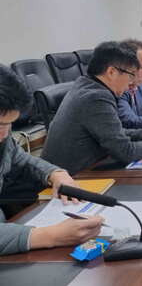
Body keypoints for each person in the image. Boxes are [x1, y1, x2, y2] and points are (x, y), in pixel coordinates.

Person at [0, 65, 104, 256]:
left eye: (9, 124)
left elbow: (22, 160)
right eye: (0, 125)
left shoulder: (3, 137)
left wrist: (55, 173)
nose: (5, 133)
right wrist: (51, 236)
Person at [42, 41, 142, 175]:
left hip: (85, 168)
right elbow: (125, 151)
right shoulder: (96, 97)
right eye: (130, 75)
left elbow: (116, 133)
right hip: (74, 178)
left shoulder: (86, 84)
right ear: (111, 72)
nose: (131, 82)